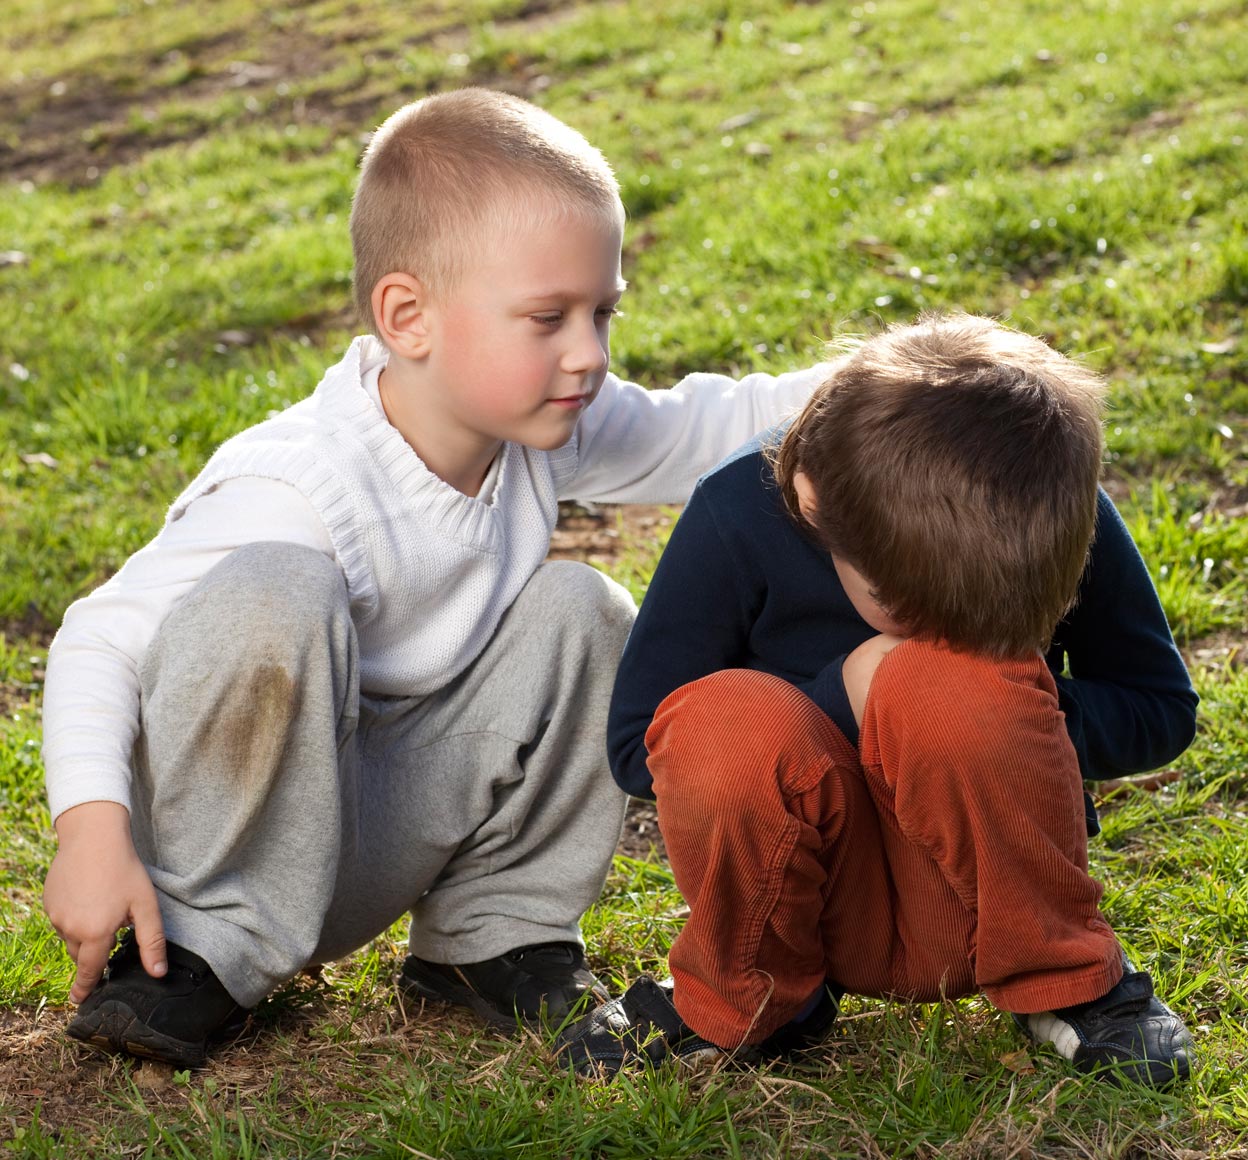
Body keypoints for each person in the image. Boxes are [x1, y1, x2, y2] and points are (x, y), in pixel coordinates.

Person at [39, 87, 830, 1069]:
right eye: (548, 317)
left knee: (584, 608)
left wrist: (895, 375)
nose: (588, 353)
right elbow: (98, 639)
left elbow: (699, 429)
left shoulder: (540, 422)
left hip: (362, 837)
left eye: (602, 313)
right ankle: (196, 954)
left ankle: (489, 936)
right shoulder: (296, 481)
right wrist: (90, 833)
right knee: (274, 590)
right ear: (408, 316)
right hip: (220, 851)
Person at [558, 313, 1199, 1088]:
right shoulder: (735, 512)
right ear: (813, 501)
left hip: (982, 899)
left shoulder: (1049, 506)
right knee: (724, 716)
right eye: (911, 608)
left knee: (941, 684)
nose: (938, 632)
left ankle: (1065, 982)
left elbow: (1158, 707)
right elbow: (637, 743)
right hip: (801, 905)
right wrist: (843, 694)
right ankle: (748, 998)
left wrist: (1014, 702)